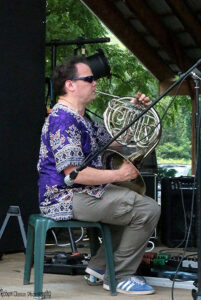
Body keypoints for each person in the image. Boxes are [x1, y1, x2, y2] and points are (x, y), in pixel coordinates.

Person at [37, 56, 161, 295]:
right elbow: (74, 175)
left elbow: (118, 141)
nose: (95, 83)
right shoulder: (63, 119)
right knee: (147, 209)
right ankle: (120, 276)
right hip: (63, 197)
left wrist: (136, 111)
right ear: (70, 85)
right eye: (89, 79)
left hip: (82, 193)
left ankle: (98, 268)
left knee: (131, 205)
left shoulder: (82, 119)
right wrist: (118, 174)